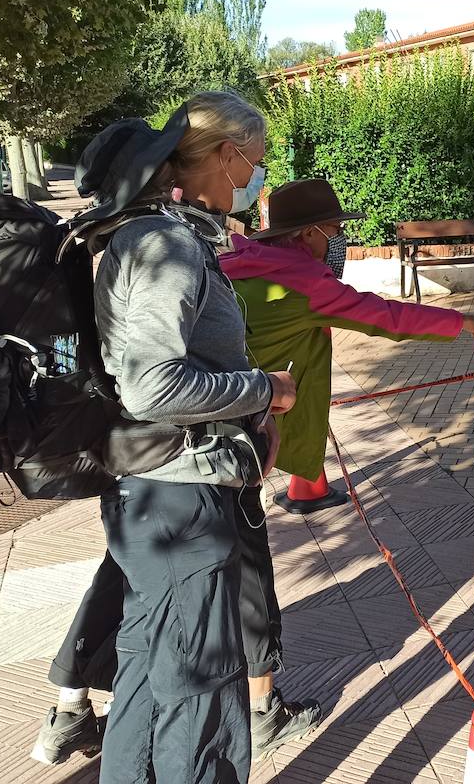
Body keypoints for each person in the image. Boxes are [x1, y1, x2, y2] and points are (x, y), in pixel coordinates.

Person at [33, 92, 300, 783]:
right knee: (199, 695)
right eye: (257, 162)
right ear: (224, 155)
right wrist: (265, 390)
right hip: (180, 504)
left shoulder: (147, 234)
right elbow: (153, 386)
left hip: (153, 496)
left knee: (151, 677)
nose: (258, 177)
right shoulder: (167, 245)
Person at [219, 178, 474, 496]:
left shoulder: (240, 262)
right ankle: (304, 491)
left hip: (221, 395)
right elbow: (387, 316)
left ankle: (306, 489)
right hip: (249, 420)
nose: (339, 239)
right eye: (334, 230)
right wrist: (462, 320)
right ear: (308, 232)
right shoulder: (306, 283)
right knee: (242, 515)